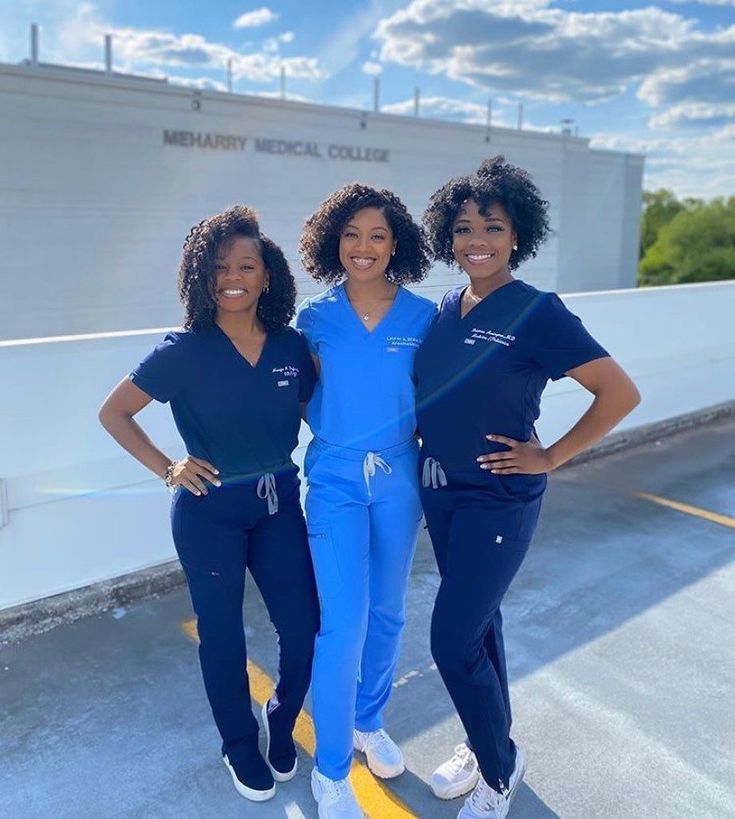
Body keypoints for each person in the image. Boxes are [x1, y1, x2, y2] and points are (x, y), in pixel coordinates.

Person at [415, 157, 641, 819]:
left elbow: (617, 391)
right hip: (441, 492)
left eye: (491, 225)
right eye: (461, 227)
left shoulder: (536, 311)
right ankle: (489, 743)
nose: (475, 238)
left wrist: (551, 455)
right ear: (447, 237)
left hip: (497, 496)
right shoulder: (443, 309)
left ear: (517, 236)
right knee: (480, 625)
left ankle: (498, 767)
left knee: (450, 640)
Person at [98, 206, 320, 803]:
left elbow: (322, 418)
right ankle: (238, 744)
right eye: (220, 267)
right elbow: (114, 412)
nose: (234, 277)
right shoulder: (183, 350)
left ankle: (281, 716)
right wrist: (168, 466)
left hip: (279, 507)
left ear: (267, 275)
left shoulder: (292, 348)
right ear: (201, 275)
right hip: (208, 513)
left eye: (247, 265)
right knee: (222, 636)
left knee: (303, 629)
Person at [296, 184, 436, 818]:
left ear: (395, 244)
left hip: (400, 476)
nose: (363, 247)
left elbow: (435, 396)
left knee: (388, 613)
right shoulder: (315, 318)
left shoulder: (422, 317)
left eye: (376, 235)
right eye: (350, 235)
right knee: (342, 624)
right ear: (334, 242)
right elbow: (305, 395)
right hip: (335, 481)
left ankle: (368, 720)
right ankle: (330, 773)